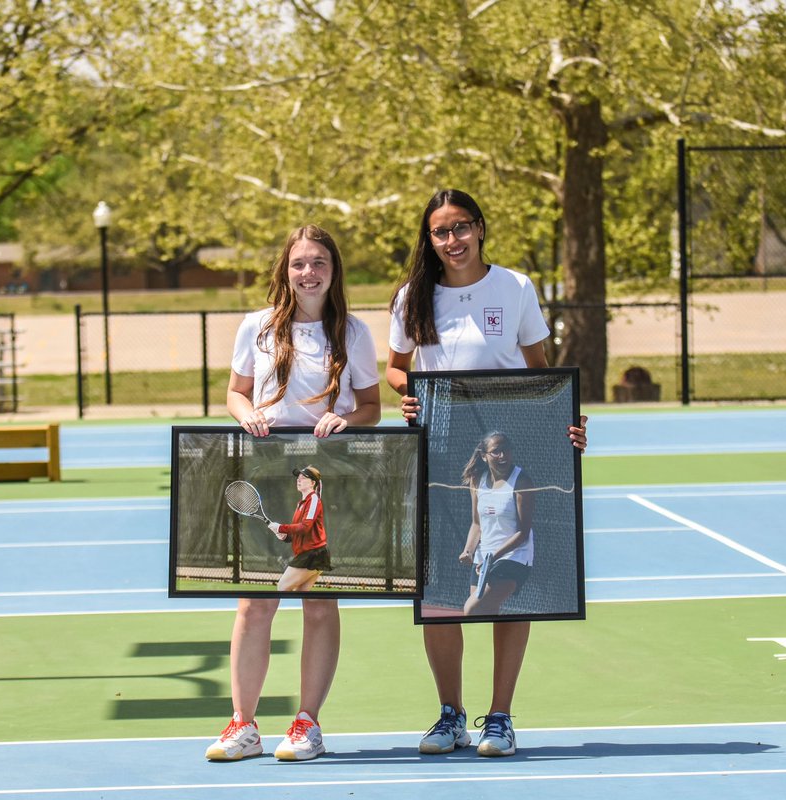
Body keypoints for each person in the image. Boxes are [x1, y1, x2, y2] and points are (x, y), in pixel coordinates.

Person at [386, 189, 587, 759]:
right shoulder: (411, 298)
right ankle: (450, 715)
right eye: (440, 232)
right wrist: (412, 397)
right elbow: (397, 371)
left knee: (507, 577)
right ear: (429, 240)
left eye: (461, 228)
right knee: (439, 587)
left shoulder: (516, 288)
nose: (452, 241)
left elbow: (540, 373)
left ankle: (499, 717)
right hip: (442, 449)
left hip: (504, 448)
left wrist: (565, 424)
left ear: (480, 228)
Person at [206, 224, 380, 763]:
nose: (309, 272)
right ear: (286, 269)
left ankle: (308, 724)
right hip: (265, 472)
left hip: (325, 481)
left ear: (334, 271)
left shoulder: (352, 332)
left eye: (319, 263)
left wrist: (343, 419)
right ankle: (244, 725)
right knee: (255, 603)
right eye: (300, 262)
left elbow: (372, 407)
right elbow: (234, 395)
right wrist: (249, 415)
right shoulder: (255, 328)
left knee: (318, 605)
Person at [459, 432, 533, 617]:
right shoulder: (477, 480)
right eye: (496, 451)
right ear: (484, 456)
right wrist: (469, 550)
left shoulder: (522, 481)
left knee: (471, 610)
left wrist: (492, 559)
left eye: (506, 450)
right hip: (483, 558)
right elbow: (477, 523)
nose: (502, 456)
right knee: (485, 616)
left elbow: (523, 533)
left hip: (514, 557)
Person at [268, 466, 332, 592]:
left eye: (303, 478)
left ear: (313, 483)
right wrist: (285, 536)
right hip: (309, 553)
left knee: (282, 587)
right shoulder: (301, 504)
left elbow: (304, 528)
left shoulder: (313, 500)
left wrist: (281, 527)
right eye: (298, 477)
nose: (299, 480)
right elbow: (299, 533)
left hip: (313, 554)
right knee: (302, 594)